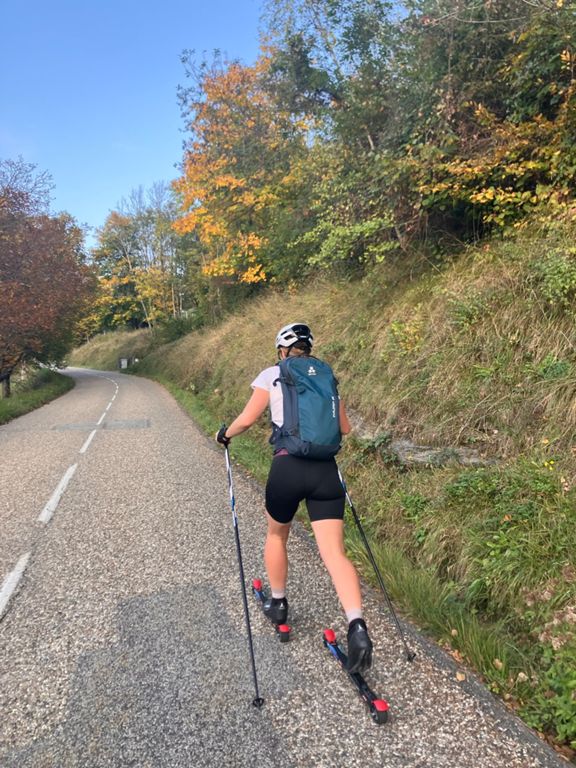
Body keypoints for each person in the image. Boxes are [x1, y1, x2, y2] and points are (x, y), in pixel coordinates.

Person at [215, 322, 373, 674]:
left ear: (282, 350)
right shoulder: (326, 377)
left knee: (277, 534)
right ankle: (357, 626)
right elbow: (345, 428)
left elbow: (247, 419)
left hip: (287, 468)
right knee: (334, 553)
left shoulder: (273, 373)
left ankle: (279, 604)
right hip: (325, 473)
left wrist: (225, 434)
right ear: (308, 349)